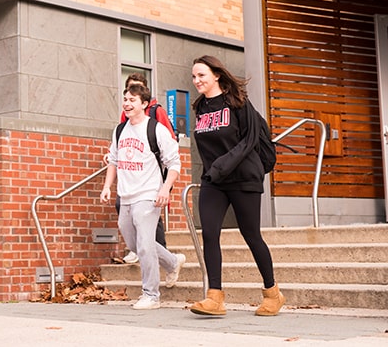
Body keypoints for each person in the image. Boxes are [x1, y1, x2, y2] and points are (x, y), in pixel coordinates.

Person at [189, 55, 285, 316]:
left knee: (251, 235)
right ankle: (215, 297)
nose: (197, 80)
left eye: (202, 75)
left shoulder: (238, 102)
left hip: (243, 178)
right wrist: (212, 171)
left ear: (217, 75)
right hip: (215, 181)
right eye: (194, 76)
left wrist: (220, 166)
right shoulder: (201, 107)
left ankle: (272, 294)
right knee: (209, 232)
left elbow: (249, 141)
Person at [101, 84, 186, 310]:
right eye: (125, 99)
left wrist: (165, 188)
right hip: (126, 194)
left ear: (144, 104)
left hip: (149, 194)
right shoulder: (120, 130)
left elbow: (174, 163)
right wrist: (107, 186)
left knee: (145, 244)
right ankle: (173, 261)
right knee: (135, 243)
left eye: (132, 100)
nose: (127, 103)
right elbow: (114, 161)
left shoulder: (156, 130)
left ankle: (151, 294)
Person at [107, 73, 176, 264]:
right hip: (130, 179)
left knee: (151, 215)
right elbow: (122, 141)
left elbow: (170, 142)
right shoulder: (124, 119)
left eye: (135, 93)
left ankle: (157, 255)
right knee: (124, 211)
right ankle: (145, 251)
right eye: (127, 94)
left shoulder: (157, 112)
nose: (128, 101)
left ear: (144, 99)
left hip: (152, 172)